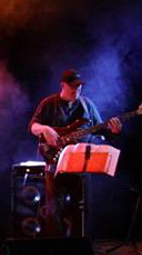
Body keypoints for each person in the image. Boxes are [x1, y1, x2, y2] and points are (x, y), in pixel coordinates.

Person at [29, 68, 122, 237]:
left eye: (79, 86)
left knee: (82, 208)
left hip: (80, 166)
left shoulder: (87, 105)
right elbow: (33, 127)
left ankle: (79, 245)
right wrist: (45, 129)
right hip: (55, 164)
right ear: (62, 85)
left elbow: (101, 130)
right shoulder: (49, 103)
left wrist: (114, 131)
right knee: (53, 209)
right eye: (72, 86)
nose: (76, 89)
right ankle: (56, 247)